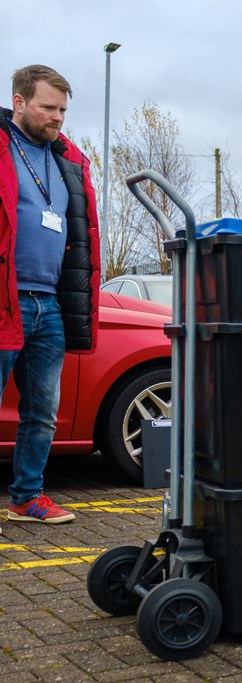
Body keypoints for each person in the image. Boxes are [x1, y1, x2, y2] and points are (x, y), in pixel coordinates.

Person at [0, 65, 101, 525]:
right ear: (19, 102)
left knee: (42, 413)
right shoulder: (4, 147)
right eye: (47, 107)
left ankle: (27, 497)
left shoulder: (67, 162)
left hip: (49, 304)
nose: (57, 117)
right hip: (5, 301)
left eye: (62, 109)